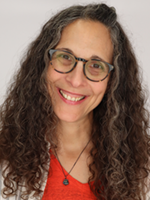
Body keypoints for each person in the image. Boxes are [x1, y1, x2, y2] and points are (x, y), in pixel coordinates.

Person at [0, 3, 150, 200]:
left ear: (114, 80)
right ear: (43, 63)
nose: (76, 80)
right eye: (65, 57)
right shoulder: (4, 155)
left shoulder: (142, 166)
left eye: (96, 65)